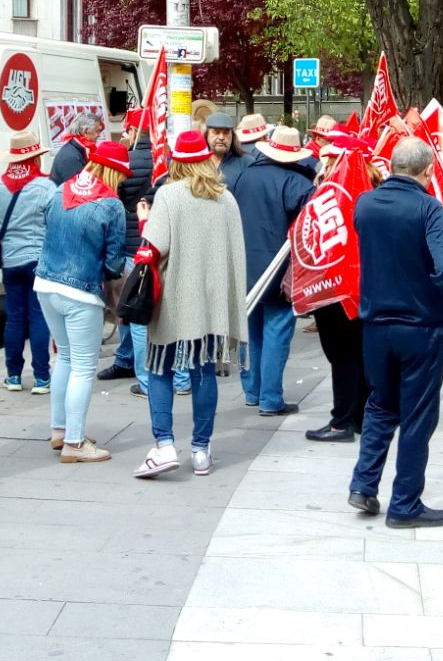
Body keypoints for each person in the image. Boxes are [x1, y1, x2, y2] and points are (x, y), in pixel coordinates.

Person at [347, 136, 443, 527]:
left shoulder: (365, 203)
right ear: (428, 171)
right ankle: (405, 503)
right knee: (416, 415)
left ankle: (364, 484)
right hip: (419, 325)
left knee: (381, 404)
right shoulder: (429, 208)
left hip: (376, 324)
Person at [134, 130, 249, 477]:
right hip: (212, 301)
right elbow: (235, 254)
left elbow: (152, 247)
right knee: (203, 371)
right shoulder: (226, 199)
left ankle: (165, 445)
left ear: (176, 163)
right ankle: (201, 449)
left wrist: (143, 219)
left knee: (160, 369)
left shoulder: (167, 195)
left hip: (173, 298)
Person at [34, 140, 129, 462]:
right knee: (84, 366)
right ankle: (75, 443)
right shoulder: (111, 204)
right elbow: (115, 263)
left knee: (64, 358)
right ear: (115, 172)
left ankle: (59, 431)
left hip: (45, 284)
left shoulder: (59, 190)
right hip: (81, 292)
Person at [102, 110, 190, 396]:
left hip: (134, 247)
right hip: (169, 246)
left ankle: (146, 380)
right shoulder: (166, 159)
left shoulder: (126, 160)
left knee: (138, 315)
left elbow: (114, 196)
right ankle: (181, 380)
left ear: (132, 129)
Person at [232, 127, 315, 416]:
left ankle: (252, 392)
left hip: (244, 266)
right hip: (280, 271)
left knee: (251, 332)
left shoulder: (245, 176)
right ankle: (270, 398)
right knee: (276, 333)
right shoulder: (298, 182)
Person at [305, 135, 380, 443]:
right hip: (363, 287)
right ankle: (360, 415)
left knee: (342, 355)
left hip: (338, 287)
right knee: (357, 354)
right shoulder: (373, 191)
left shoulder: (340, 193)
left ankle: (342, 421)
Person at [0, 133, 54, 394]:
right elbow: (56, 222)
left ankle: (13, 377)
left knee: (14, 319)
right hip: (39, 262)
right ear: (34, 158)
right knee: (38, 317)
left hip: (10, 261)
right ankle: (42, 378)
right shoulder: (46, 187)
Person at [50, 112, 103, 184]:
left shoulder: (77, 149)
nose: (99, 135)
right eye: (97, 131)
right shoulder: (71, 156)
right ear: (86, 132)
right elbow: (77, 188)